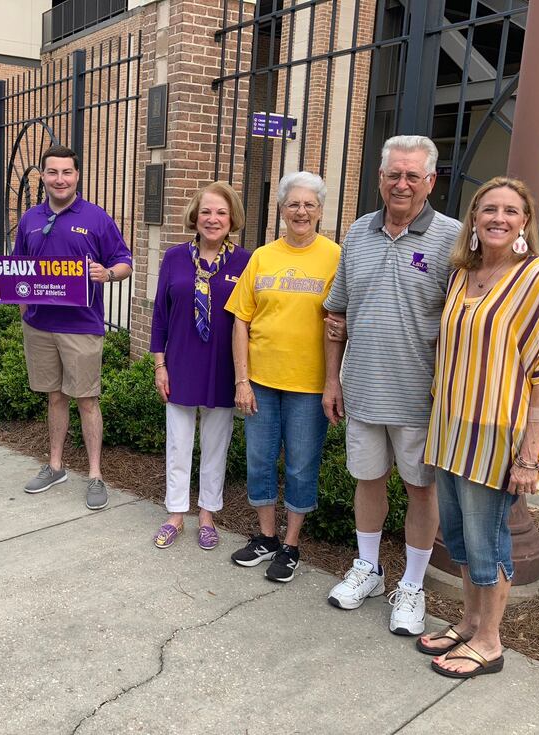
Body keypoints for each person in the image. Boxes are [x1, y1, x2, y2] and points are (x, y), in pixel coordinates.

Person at [420, 177, 539, 678]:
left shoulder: (538, 279)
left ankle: (489, 641)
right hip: (450, 430)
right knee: (459, 536)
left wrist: (529, 455)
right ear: (474, 219)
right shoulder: (462, 273)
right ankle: (468, 622)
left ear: (525, 221)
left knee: (488, 541)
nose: (499, 218)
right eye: (489, 209)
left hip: (498, 438)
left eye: (511, 211)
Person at [322, 135, 461, 635]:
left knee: (421, 491)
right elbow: (336, 311)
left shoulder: (454, 238)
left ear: (430, 181)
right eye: (392, 174)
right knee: (368, 482)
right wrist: (331, 380)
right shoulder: (358, 233)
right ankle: (369, 570)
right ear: (380, 179)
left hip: (421, 400)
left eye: (412, 175)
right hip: (361, 390)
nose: (401, 183)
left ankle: (414, 585)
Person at [225, 171, 341, 583]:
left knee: (300, 466)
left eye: (309, 204)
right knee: (258, 460)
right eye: (293, 204)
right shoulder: (263, 256)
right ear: (281, 210)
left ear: (321, 211)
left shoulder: (335, 257)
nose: (301, 211)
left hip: (308, 387)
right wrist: (242, 380)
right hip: (261, 381)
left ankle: (291, 544)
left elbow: (339, 322)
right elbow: (241, 319)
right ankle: (267, 537)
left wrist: (333, 382)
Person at [13, 145, 133, 511]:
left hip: (81, 326)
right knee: (54, 396)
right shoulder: (30, 219)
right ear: (43, 176)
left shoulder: (96, 218)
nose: (60, 179)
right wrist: (22, 306)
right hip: (40, 326)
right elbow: (17, 266)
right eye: (52, 172)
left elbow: (124, 261)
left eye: (67, 172)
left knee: (87, 400)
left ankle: (96, 474)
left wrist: (107, 273)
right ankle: (55, 466)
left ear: (77, 176)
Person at [150, 182, 251, 550]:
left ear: (232, 218)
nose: (213, 219)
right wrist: (159, 365)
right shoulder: (175, 257)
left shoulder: (245, 262)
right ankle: (176, 513)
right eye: (206, 211)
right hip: (180, 362)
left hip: (223, 367)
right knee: (178, 444)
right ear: (195, 215)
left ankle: (207, 514)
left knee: (215, 445)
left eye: (221, 212)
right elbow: (161, 314)